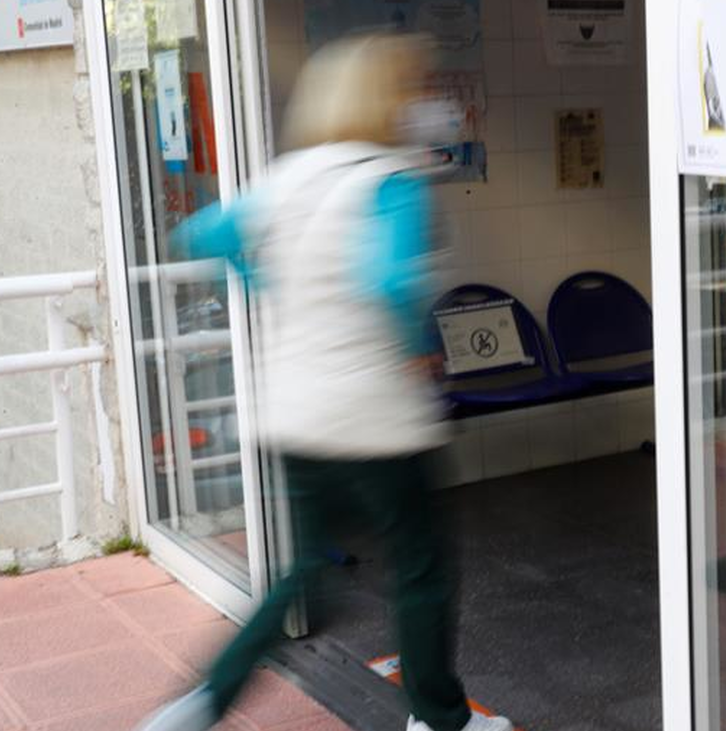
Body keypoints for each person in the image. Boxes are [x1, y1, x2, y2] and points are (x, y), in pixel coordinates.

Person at [134, 33, 512, 731]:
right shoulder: (390, 181)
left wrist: (266, 281)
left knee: (304, 571)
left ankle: (202, 703)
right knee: (421, 569)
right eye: (410, 91)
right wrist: (419, 348)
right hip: (376, 417)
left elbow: (201, 234)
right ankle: (438, 720)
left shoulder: (285, 179)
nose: (420, 102)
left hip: (295, 414)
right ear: (386, 101)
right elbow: (392, 281)